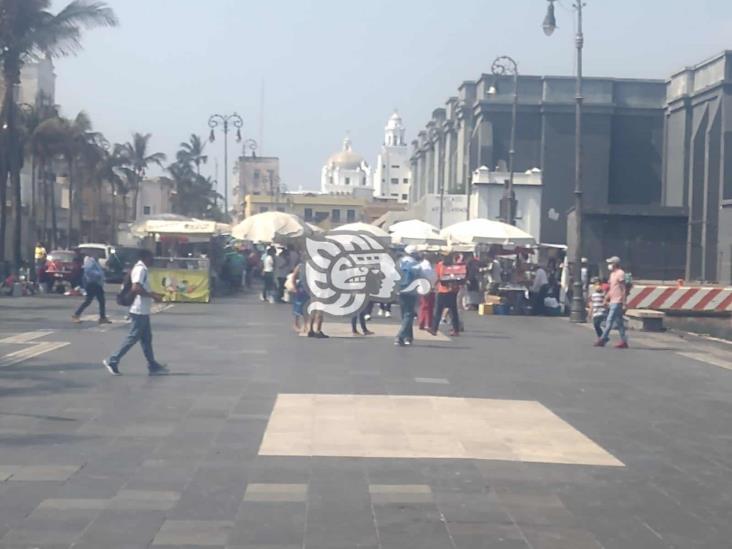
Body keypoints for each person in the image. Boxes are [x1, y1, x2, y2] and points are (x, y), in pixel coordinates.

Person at [103, 249, 168, 376]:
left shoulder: (141, 268)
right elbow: (136, 288)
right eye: (151, 257)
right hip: (138, 310)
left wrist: (153, 294)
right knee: (133, 337)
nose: (152, 260)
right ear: (145, 257)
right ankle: (113, 360)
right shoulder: (140, 269)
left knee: (146, 339)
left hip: (142, 309)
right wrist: (153, 296)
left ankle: (152, 364)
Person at [595, 256, 629, 349]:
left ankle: (603, 338)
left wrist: (624, 302)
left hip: (618, 301)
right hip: (613, 300)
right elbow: (611, 288)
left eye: (611, 263)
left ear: (615, 264)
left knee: (609, 320)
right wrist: (606, 298)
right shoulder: (612, 274)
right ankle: (624, 341)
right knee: (619, 322)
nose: (609, 265)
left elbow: (623, 288)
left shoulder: (620, 273)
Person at [72, 255, 111, 324]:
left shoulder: (94, 262)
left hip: (97, 284)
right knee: (88, 301)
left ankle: (102, 317)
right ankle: (76, 315)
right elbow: (88, 271)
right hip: (92, 284)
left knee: (101, 301)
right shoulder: (90, 261)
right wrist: (98, 275)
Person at [395, 245, 422, 346]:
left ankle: (408, 337)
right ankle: (400, 336)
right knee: (409, 314)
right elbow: (421, 277)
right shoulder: (416, 264)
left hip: (400, 290)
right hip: (411, 291)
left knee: (405, 315)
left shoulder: (399, 262)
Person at [430, 254, 461, 337]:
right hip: (452, 290)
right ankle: (456, 329)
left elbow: (438, 277)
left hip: (443, 290)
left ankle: (434, 329)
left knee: (439, 310)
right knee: (453, 311)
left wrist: (433, 286)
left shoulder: (440, 265)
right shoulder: (454, 265)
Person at [418, 255, 436, 331]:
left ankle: (422, 323)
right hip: (428, 288)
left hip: (424, 288)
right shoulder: (427, 267)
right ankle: (428, 324)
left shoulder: (421, 265)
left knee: (423, 306)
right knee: (428, 307)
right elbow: (431, 277)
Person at [290, 264, 310, 335]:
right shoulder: (300, 266)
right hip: (301, 288)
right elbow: (294, 277)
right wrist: (295, 287)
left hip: (309, 288)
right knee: (298, 307)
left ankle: (305, 325)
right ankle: (296, 324)